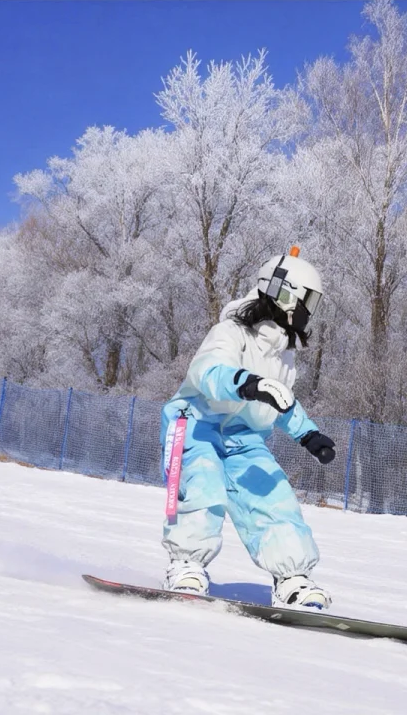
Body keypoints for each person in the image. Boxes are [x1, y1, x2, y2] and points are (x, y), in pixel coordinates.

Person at [158, 247, 337, 609]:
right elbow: (207, 372)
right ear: (285, 295)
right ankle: (186, 564)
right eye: (308, 301)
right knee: (204, 487)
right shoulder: (230, 332)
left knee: (273, 496)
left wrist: (307, 433)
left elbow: (279, 399)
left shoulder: (283, 356)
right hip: (195, 424)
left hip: (244, 437)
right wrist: (247, 382)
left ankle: (293, 578)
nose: (309, 313)